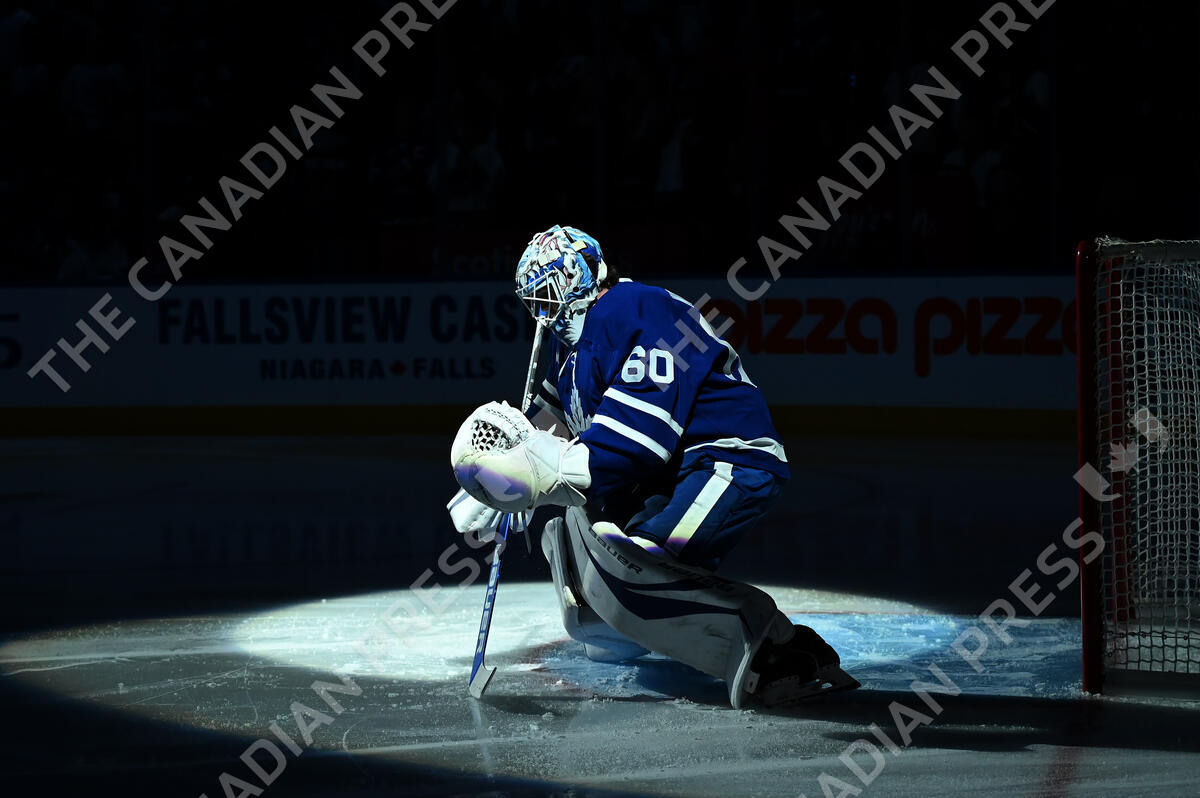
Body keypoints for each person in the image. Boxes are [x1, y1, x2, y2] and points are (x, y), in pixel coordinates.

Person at [447, 224, 857, 707]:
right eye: (535, 300)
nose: (546, 312)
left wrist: (537, 476)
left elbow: (638, 442)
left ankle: (783, 650)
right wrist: (501, 470)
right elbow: (552, 421)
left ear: (588, 275)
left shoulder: (636, 310)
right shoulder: (568, 348)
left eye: (552, 293)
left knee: (636, 568)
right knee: (580, 543)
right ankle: (623, 624)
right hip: (667, 476)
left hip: (725, 458)